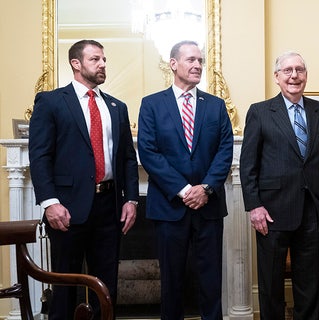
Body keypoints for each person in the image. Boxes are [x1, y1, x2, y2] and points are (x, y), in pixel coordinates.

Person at [28, 39, 139, 319]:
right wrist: (50, 203)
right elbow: (40, 156)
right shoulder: (51, 101)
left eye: (104, 60)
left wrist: (132, 200)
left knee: (106, 286)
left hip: (109, 206)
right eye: (95, 59)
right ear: (75, 64)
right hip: (66, 208)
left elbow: (127, 157)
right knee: (65, 285)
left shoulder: (117, 106)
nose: (102, 64)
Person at [137, 40, 234, 320]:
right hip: (169, 208)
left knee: (211, 279)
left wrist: (205, 188)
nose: (197, 65)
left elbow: (225, 150)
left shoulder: (215, 106)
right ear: (173, 64)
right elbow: (149, 152)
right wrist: (183, 190)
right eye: (191, 60)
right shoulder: (152, 104)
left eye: (200, 61)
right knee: (171, 280)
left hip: (209, 206)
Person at [239, 51, 319, 320]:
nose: (294, 75)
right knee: (271, 285)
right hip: (271, 213)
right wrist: (254, 206)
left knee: (309, 284)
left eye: (300, 70)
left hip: (312, 213)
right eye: (288, 70)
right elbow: (248, 165)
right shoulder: (260, 112)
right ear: (277, 77)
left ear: (306, 75)